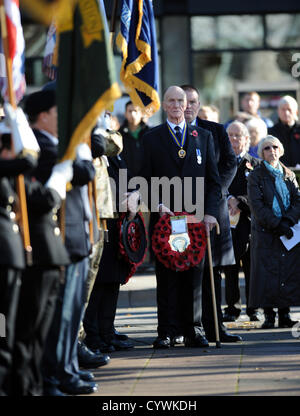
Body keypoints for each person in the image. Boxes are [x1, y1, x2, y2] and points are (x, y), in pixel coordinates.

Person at [140, 85, 221, 349]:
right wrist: (157, 203)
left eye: (181, 101)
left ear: (188, 105)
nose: (176, 105)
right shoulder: (151, 137)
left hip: (195, 219)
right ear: (164, 105)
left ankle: (194, 329)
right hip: (166, 218)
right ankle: (166, 331)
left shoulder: (204, 137)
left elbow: (213, 182)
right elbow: (142, 180)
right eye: (171, 100)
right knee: (166, 275)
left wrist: (210, 213)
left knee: (193, 276)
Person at [181, 84, 241, 343]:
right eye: (186, 101)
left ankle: (216, 326)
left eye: (194, 101)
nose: (189, 106)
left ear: (198, 103)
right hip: (183, 211)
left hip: (213, 209)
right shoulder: (172, 133)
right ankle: (187, 329)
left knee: (213, 271)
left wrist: (216, 191)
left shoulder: (215, 130)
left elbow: (229, 163)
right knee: (187, 271)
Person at [83, 154, 139, 353]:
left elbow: (132, 181)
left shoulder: (115, 158)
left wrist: (134, 196)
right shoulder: (90, 155)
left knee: (113, 280)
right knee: (98, 282)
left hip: (116, 225)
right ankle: (93, 334)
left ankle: (107, 331)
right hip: (98, 224)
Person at [247, 135, 300, 329]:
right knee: (267, 274)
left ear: (281, 150)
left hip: (287, 231)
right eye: (267, 148)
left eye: (275, 147)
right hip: (266, 231)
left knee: (286, 271)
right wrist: (276, 224)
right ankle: (269, 316)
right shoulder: (256, 175)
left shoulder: (288, 174)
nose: (272, 151)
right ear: (262, 152)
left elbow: (297, 200)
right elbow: (256, 205)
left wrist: (287, 221)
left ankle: (285, 314)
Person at [0, 126, 37, 396]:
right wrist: (18, 123)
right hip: (4, 255)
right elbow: (28, 160)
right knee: (3, 324)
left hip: (8, 254)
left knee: (6, 324)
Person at [223, 121, 260, 322]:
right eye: (230, 135)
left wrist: (240, 201)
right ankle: (232, 308)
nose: (234, 139)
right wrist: (229, 199)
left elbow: (260, 195)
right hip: (227, 223)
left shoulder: (256, 165)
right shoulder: (221, 162)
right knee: (229, 269)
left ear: (247, 139)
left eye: (238, 135)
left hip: (248, 223)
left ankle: (254, 308)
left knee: (251, 268)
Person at [119, 100, 150, 177]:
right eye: (130, 111)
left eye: (135, 111)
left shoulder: (149, 133)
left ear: (141, 114)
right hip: (126, 180)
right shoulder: (119, 135)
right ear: (125, 114)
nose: (133, 114)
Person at [268, 95, 300, 168]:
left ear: (296, 112)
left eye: (289, 109)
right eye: (283, 109)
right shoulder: (271, 133)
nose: (286, 113)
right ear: (278, 111)